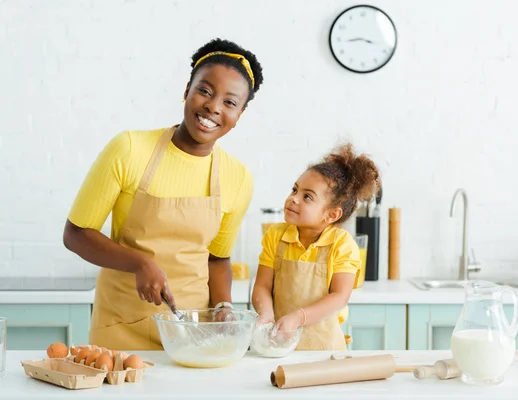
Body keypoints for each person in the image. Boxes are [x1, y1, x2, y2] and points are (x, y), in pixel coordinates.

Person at [63, 38, 264, 350]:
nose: (213, 106)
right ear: (187, 91)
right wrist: (139, 263)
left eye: (230, 102)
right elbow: (76, 234)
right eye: (205, 91)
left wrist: (223, 307)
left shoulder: (238, 177)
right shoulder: (129, 149)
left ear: (239, 115)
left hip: (192, 331)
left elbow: (218, 258)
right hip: (120, 326)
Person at [251, 143, 381, 350]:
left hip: (325, 350)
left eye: (307, 196)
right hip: (279, 346)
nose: (293, 198)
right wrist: (266, 314)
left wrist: (297, 318)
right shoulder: (275, 236)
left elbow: (340, 297)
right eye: (294, 189)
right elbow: (262, 287)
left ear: (331, 214)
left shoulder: (342, 245)